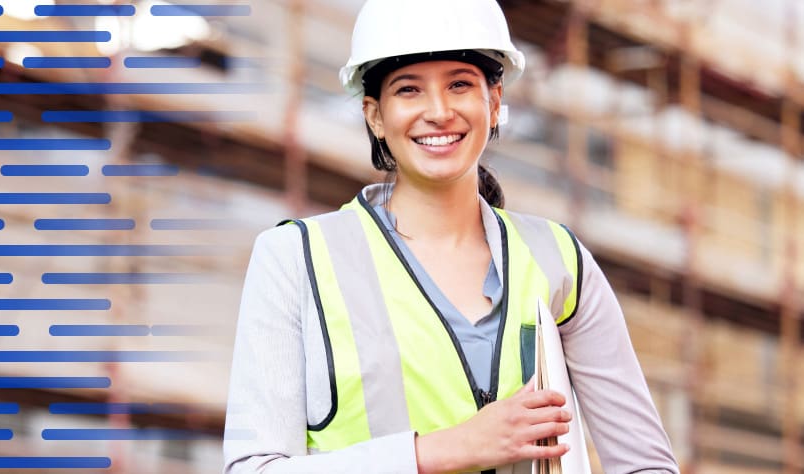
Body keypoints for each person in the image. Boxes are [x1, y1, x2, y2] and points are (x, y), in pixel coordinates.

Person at [224, 0, 680, 472]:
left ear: (494, 102)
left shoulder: (559, 260)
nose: (439, 112)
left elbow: (645, 465)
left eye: (459, 84)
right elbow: (253, 468)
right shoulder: (296, 259)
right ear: (375, 115)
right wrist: (448, 448)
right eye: (409, 89)